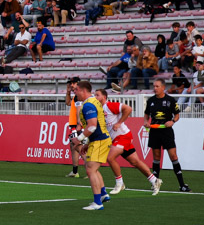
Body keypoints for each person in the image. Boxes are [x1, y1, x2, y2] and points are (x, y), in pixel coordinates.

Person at [95, 88, 162, 195]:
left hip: (122, 136)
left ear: (104, 97)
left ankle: (119, 183)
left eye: (97, 95)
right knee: (135, 161)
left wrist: (119, 123)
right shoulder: (99, 110)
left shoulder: (109, 106)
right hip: (116, 138)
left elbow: (128, 109)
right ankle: (155, 180)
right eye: (95, 95)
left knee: (110, 157)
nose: (95, 97)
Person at [145, 79, 191, 192]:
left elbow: (177, 115)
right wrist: (146, 122)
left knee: (173, 157)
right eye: (154, 86)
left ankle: (182, 185)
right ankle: (155, 184)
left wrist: (172, 122)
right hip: (154, 131)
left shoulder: (170, 100)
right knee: (156, 158)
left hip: (166, 132)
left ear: (163, 87)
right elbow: (146, 115)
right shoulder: (151, 100)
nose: (155, 88)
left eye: (157, 86)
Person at [73, 81, 111, 210]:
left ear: (83, 91)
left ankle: (97, 203)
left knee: (90, 169)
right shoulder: (93, 102)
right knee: (91, 167)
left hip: (100, 140)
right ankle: (103, 194)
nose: (75, 92)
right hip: (99, 139)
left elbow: (93, 126)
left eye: (76, 89)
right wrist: (87, 142)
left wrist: (79, 139)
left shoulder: (88, 105)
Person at [64, 77, 82, 178]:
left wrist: (79, 124)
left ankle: (91, 169)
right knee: (73, 146)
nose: (71, 85)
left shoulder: (79, 96)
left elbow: (79, 110)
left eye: (73, 83)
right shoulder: (76, 96)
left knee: (78, 147)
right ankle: (75, 171)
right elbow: (68, 103)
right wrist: (67, 92)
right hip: (74, 124)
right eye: (71, 83)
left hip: (77, 125)